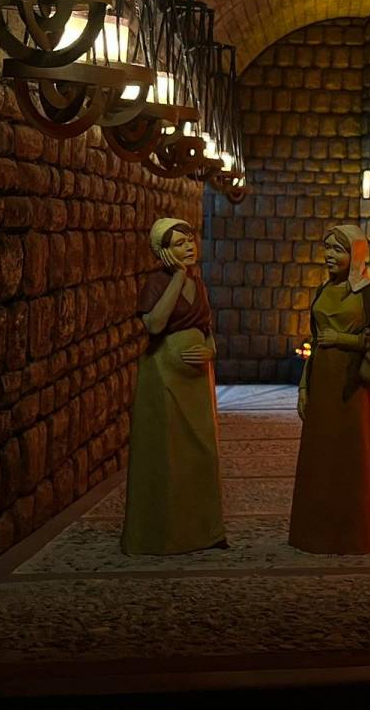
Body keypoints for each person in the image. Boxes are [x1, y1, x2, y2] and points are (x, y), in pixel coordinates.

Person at [121, 217, 227, 555]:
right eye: (180, 244)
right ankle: (164, 534)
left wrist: (211, 348)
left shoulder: (200, 283)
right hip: (164, 374)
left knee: (201, 451)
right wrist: (178, 277)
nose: (190, 247)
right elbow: (154, 324)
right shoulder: (157, 282)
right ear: (164, 252)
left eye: (191, 240)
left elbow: (207, 325)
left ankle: (204, 531)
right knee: (167, 453)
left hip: (196, 380)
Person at [289, 225, 370, 554]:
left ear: (356, 255)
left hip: (353, 391)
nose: (329, 256)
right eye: (327, 249)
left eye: (338, 250)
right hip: (323, 384)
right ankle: (316, 532)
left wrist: (344, 339)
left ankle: (353, 532)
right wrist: (304, 386)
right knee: (321, 458)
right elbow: (315, 341)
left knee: (351, 457)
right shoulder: (324, 291)